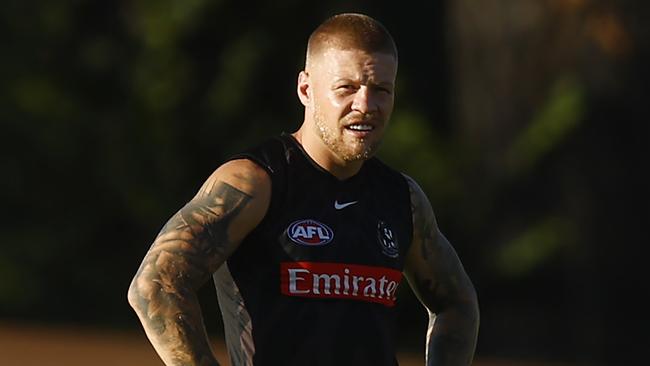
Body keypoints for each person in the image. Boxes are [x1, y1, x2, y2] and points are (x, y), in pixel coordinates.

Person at [128, 13, 479, 366]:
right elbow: (156, 285)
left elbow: (457, 304)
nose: (366, 105)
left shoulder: (402, 199)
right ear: (306, 89)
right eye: (347, 88)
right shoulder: (256, 182)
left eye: (381, 90)